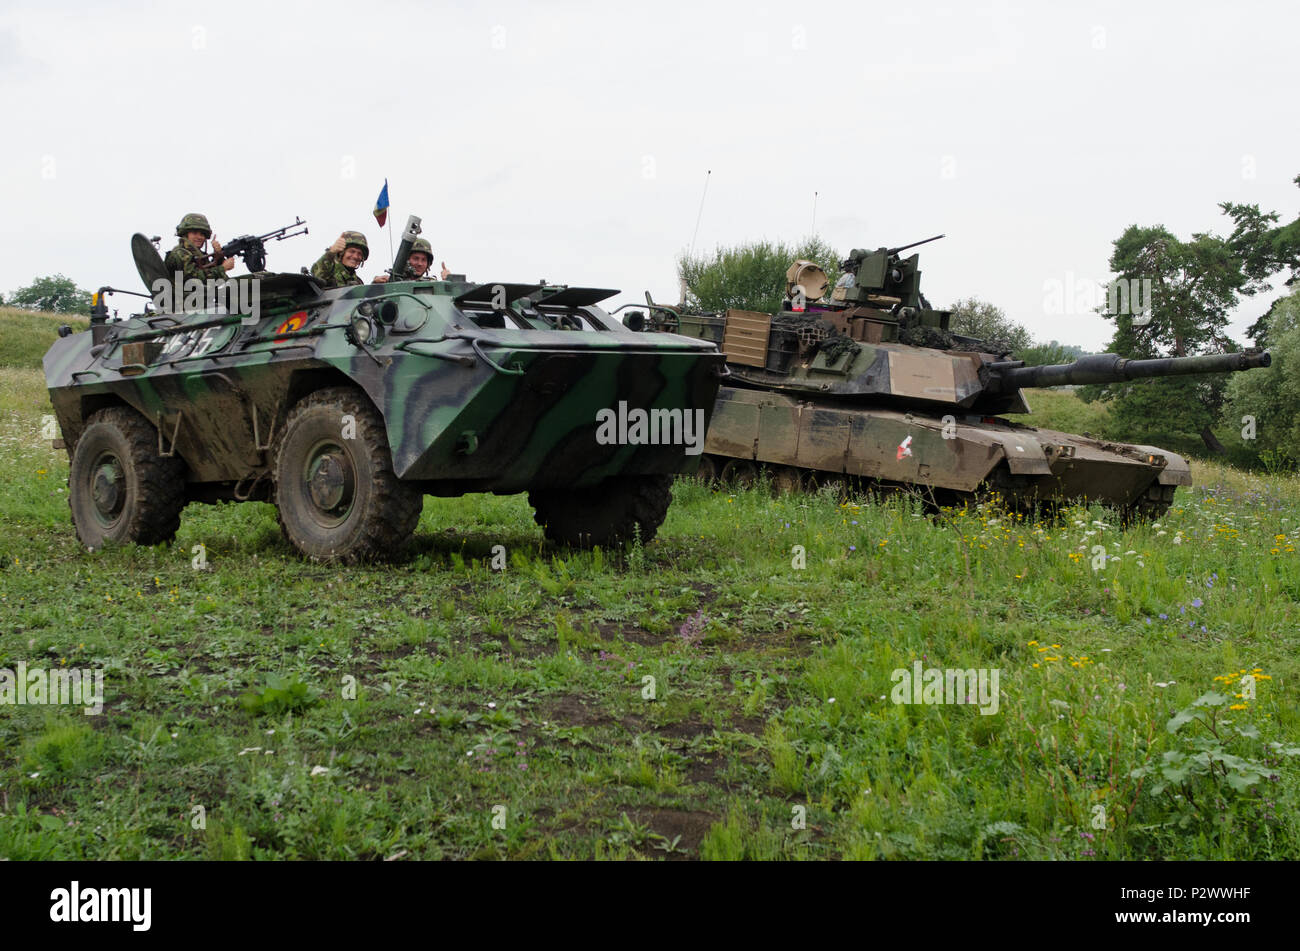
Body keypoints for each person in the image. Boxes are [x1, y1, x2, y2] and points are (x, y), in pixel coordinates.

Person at [163, 213, 235, 282]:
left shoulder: (197, 255)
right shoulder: (180, 253)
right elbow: (194, 280)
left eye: (202, 234)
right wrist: (223, 268)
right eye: (194, 233)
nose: (199, 237)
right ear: (185, 234)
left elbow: (211, 274)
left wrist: (219, 256)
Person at [372, 237, 451, 283]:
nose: (420, 263)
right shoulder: (391, 283)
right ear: (406, 260)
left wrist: (450, 281)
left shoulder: (433, 284)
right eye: (416, 259)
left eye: (424, 260)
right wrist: (375, 285)